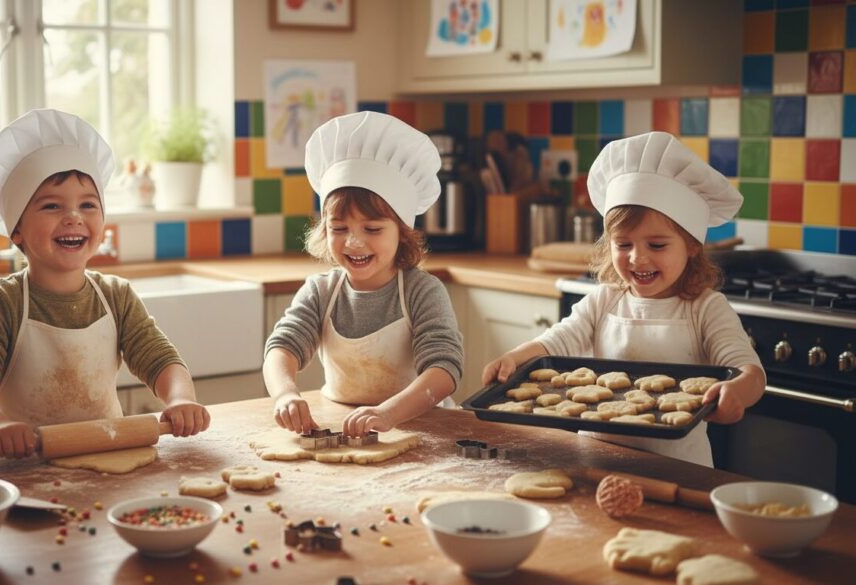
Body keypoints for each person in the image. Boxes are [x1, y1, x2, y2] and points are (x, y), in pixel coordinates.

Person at [481, 131, 765, 466]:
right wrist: (516, 358)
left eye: (656, 245)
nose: (637, 258)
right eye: (623, 244)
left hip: (679, 469)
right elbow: (557, 340)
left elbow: (751, 372)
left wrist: (737, 392)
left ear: (691, 246)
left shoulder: (705, 309)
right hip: (595, 460)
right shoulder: (604, 300)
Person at [0, 109, 209, 459]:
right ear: (16, 230)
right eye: (52, 206)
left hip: (109, 452)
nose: (74, 217)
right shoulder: (2, 302)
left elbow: (161, 361)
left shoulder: (116, 296)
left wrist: (180, 399)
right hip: (28, 464)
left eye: (88, 204)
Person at [264, 111, 464, 437]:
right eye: (339, 228)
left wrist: (389, 413)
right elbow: (281, 347)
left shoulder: (421, 291)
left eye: (372, 228)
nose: (354, 241)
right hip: (341, 422)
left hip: (421, 427)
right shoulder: (321, 291)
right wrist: (285, 394)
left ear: (402, 232)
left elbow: (444, 370)